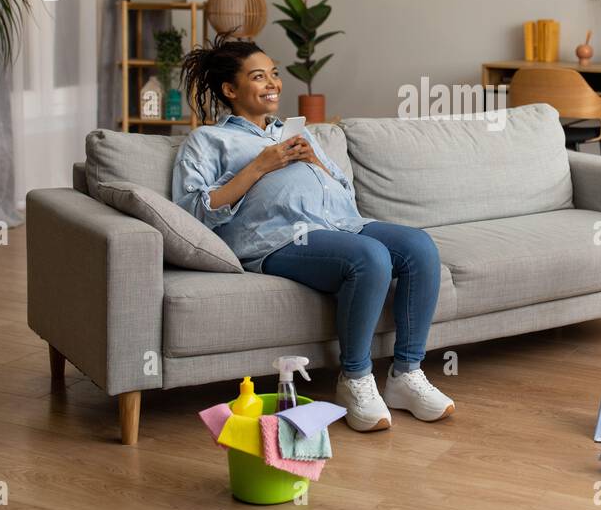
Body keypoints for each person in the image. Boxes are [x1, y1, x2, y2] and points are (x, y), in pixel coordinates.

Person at [171, 35, 454, 432]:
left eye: (274, 74)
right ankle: (355, 379)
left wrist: (314, 162)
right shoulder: (207, 140)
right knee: (369, 256)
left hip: (341, 224)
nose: (272, 83)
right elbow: (193, 211)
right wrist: (259, 166)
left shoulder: (294, 131)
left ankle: (406, 375)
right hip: (277, 239)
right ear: (230, 90)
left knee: (419, 247)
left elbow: (342, 188)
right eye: (258, 77)